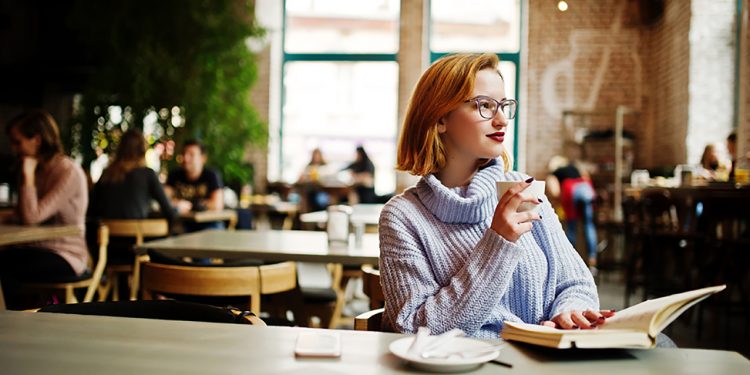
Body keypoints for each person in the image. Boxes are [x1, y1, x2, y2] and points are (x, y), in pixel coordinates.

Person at [379, 53, 610, 339]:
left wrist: (570, 312)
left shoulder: (522, 188)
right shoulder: (403, 217)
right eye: (484, 106)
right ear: (440, 118)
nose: (501, 120)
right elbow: (412, 329)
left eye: (503, 106)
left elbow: (576, 282)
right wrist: (498, 243)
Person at [0, 110, 89, 309]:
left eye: (17, 142)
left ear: (37, 140)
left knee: (4, 267)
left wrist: (28, 176)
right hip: (36, 249)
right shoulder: (38, 169)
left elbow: (31, 217)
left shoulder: (68, 171)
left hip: (66, 254)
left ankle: (11, 326)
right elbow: (23, 214)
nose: (14, 149)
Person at [88, 128, 174, 264]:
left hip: (106, 249)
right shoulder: (147, 174)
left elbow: (90, 210)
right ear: (142, 150)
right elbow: (169, 212)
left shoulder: (107, 174)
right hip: (136, 249)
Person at [545, 141, 598, 271]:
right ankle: (592, 259)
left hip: (571, 189)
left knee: (572, 226)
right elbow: (587, 178)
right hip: (586, 188)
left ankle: (569, 262)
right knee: (589, 224)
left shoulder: (554, 173)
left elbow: (555, 191)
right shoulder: (575, 168)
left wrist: (557, 200)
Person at [165, 140, 224, 231]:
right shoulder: (174, 175)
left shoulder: (211, 175)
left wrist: (187, 205)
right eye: (184, 153)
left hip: (208, 224)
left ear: (203, 158)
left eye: (191, 155)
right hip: (182, 224)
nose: (185, 158)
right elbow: (164, 199)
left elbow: (217, 205)